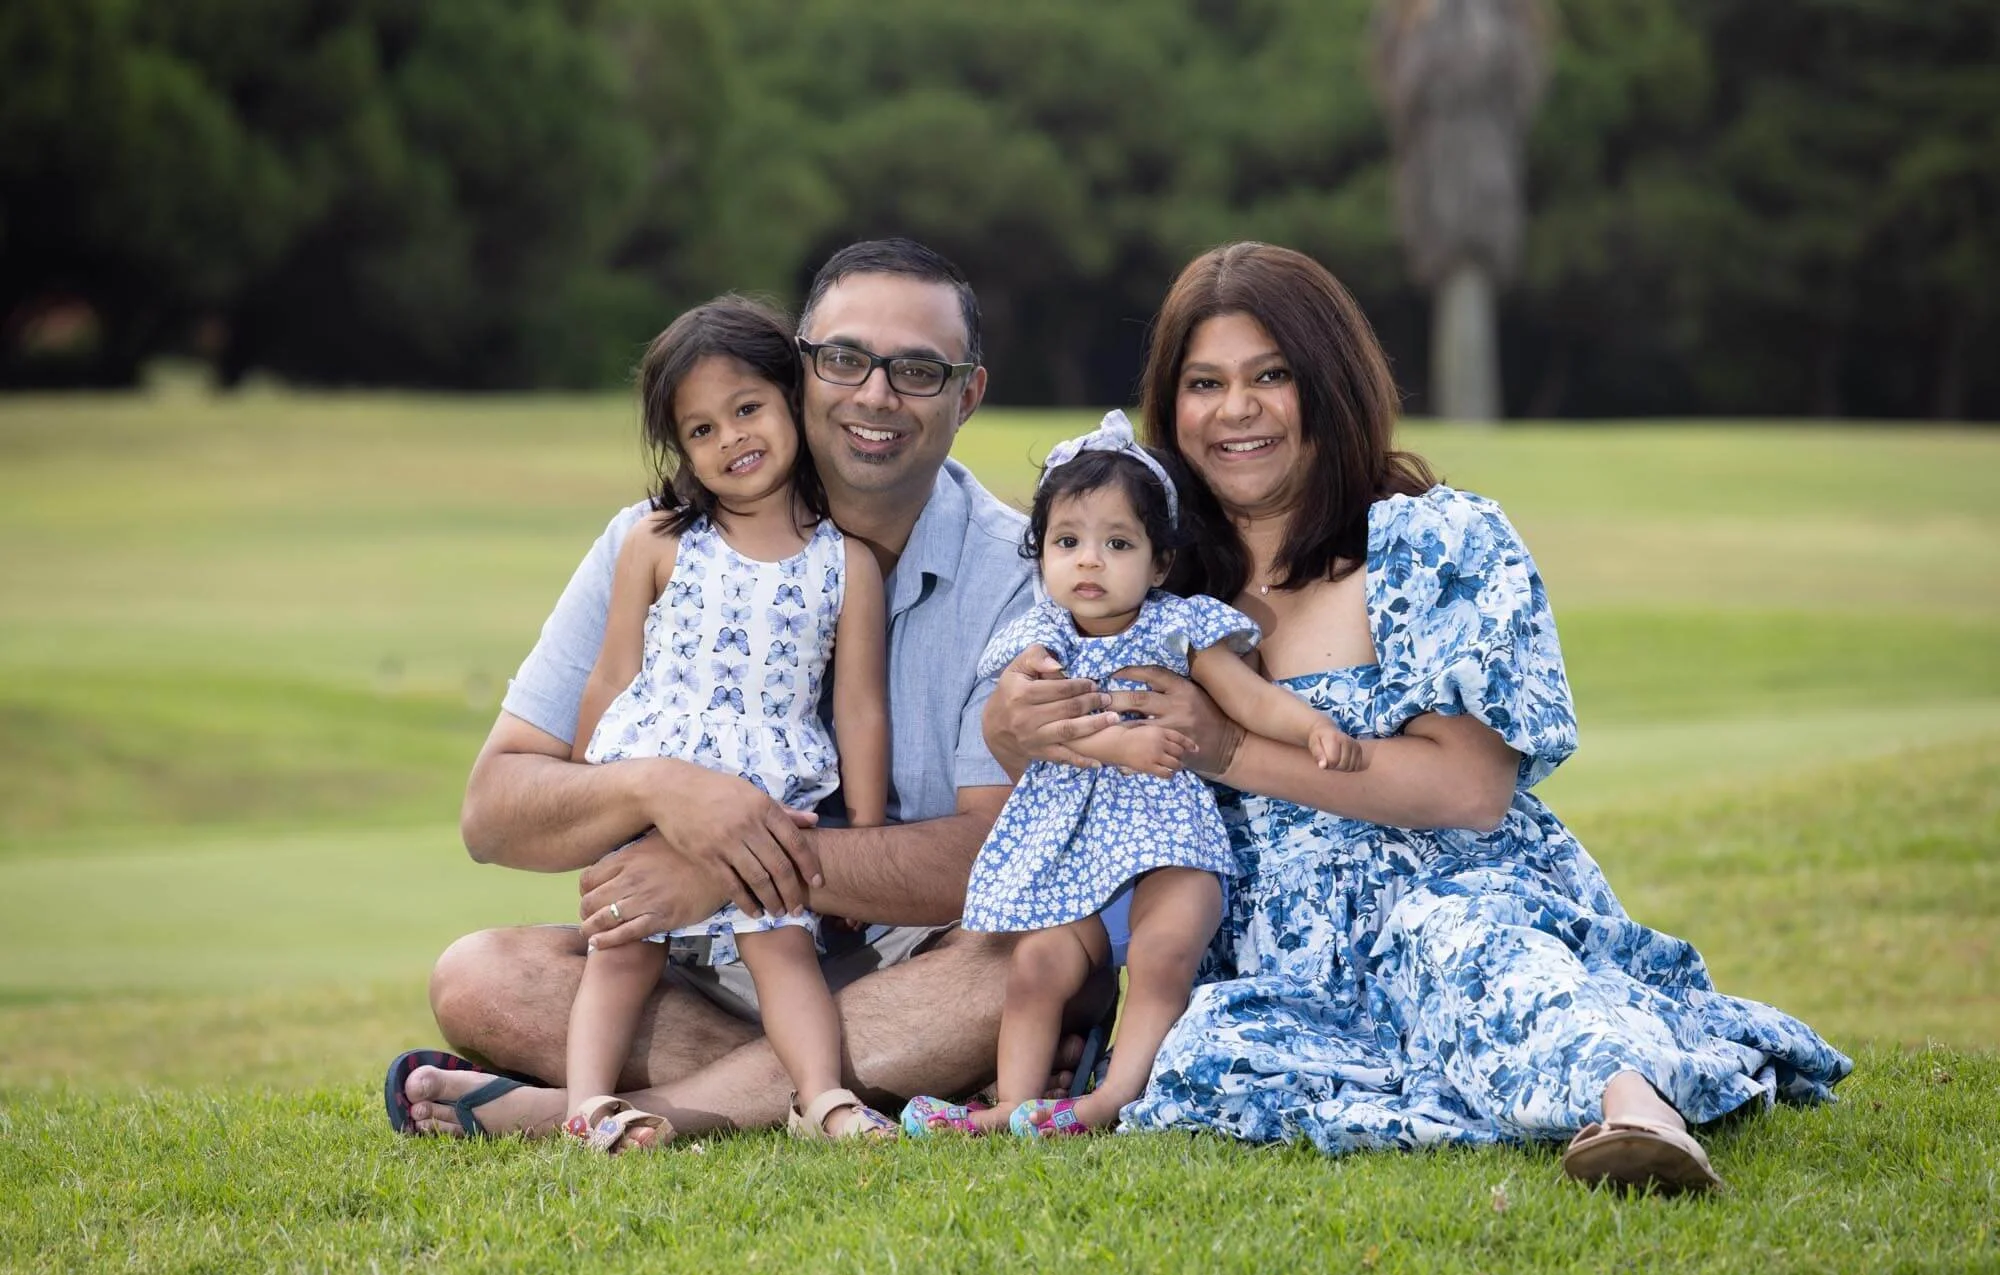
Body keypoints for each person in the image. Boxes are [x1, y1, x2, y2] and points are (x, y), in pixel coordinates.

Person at [985, 242, 1852, 1191]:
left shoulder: (1434, 542)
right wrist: (1017, 725)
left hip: (1447, 885)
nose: (1236, 409)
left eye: (1271, 375)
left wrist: (1227, 747)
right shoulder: (1145, 569)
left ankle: (1635, 1118)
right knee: (1208, 1060)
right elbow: (1036, 724)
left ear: (1331, 382)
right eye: (1205, 383)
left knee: (1473, 960)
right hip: (1266, 944)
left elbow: (1471, 791)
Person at [386, 239, 1087, 1145]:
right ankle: (853, 1084)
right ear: (798, 371)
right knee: (478, 975)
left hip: (914, 954)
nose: (876, 395)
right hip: (702, 961)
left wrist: (724, 863)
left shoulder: (1024, 575)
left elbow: (991, 856)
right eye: (844, 359)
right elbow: (494, 813)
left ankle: (640, 1111)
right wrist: (654, 790)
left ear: (969, 395)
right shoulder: (656, 541)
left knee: (1025, 968)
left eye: (918, 370)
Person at [902, 412, 1364, 1139]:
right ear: (1041, 556)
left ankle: (1111, 1095)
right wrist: (1106, 745)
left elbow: (1247, 698)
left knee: (1161, 954)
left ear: (1157, 562)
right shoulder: (1039, 638)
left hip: (1168, 848)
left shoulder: (1175, 627)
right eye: (1068, 542)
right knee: (1036, 965)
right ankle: (1017, 1107)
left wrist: (1308, 726)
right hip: (1076, 854)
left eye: (1117, 543)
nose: (1090, 561)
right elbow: (1027, 728)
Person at [561, 295, 895, 1148]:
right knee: (624, 948)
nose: (731, 439)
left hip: (764, 794)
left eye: (747, 409)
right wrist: (586, 803)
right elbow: (612, 676)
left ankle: (824, 1099)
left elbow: (859, 707)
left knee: (780, 948)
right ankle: (589, 1103)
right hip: (651, 789)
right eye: (701, 430)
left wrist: (859, 830)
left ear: (791, 399)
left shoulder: (844, 562)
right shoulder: (658, 540)